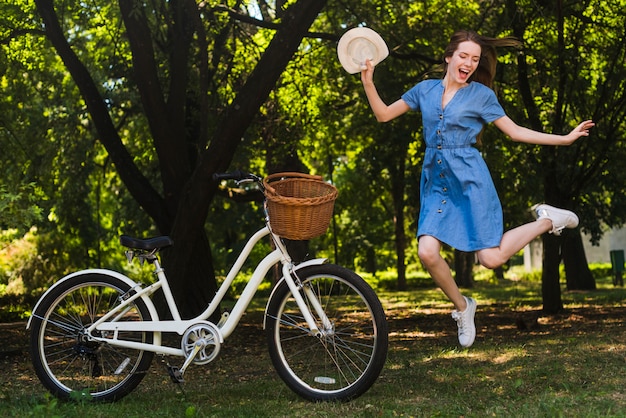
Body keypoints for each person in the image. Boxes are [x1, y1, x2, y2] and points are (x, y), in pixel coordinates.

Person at [360, 30, 594, 348]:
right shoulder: (424, 91)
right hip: (437, 183)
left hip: (471, 181)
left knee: (490, 259)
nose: (469, 63)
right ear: (449, 57)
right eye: (463, 56)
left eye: (475, 59)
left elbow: (515, 132)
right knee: (427, 252)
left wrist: (564, 138)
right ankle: (463, 307)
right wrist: (368, 81)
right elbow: (383, 114)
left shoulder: (481, 96)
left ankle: (548, 220)